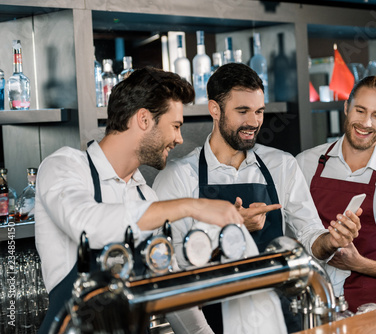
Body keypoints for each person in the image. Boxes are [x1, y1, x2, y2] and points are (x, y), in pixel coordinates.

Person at [153, 63, 361, 333]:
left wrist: (330, 241)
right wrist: (229, 230)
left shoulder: (281, 165)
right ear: (215, 109)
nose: (253, 122)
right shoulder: (179, 177)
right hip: (216, 323)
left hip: (284, 318)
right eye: (242, 111)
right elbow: (173, 272)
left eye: (259, 111)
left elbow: (310, 238)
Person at [35, 67, 243, 334]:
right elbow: (87, 225)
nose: (179, 139)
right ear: (144, 119)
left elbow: (171, 290)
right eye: (176, 126)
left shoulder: (145, 196)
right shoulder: (65, 167)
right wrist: (191, 205)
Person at [296, 76, 376, 313]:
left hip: (372, 312)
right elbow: (289, 239)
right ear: (346, 107)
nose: (365, 122)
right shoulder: (305, 164)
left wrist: (361, 264)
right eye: (360, 110)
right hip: (311, 306)